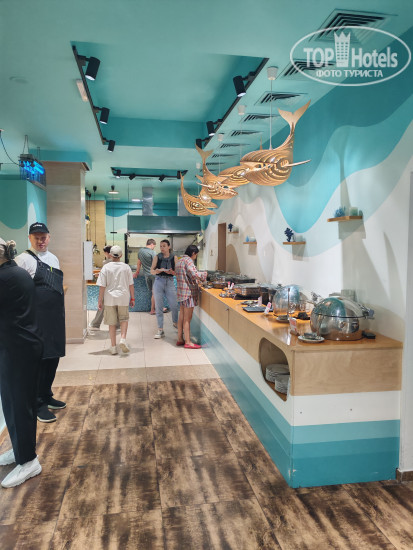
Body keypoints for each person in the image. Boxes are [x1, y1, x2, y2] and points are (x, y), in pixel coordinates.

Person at [0, 238, 43, 488]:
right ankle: (20, 450)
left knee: (19, 405)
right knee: (14, 403)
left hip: (18, 349)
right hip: (21, 346)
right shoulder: (16, 272)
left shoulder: (6, 278)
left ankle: (28, 461)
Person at [15, 222, 66, 424]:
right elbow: (16, 291)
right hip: (36, 320)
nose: (40, 241)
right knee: (40, 361)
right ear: (30, 238)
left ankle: (46, 395)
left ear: (49, 237)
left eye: (43, 237)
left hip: (54, 318)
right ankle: (37, 403)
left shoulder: (53, 258)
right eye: (36, 237)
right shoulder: (23, 260)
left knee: (53, 358)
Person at [97, 245, 134, 355]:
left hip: (109, 298)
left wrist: (100, 300)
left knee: (111, 323)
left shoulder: (106, 268)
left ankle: (113, 347)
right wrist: (133, 298)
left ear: (110, 255)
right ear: (121, 255)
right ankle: (122, 339)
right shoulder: (126, 267)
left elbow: (102, 286)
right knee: (124, 319)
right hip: (123, 297)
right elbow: (131, 284)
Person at [175, 245, 206, 349]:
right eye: (196, 255)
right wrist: (204, 275)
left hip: (181, 293)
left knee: (181, 317)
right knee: (187, 319)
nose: (196, 257)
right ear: (193, 253)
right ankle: (188, 342)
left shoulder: (180, 261)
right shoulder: (188, 261)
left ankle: (180, 339)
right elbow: (194, 274)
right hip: (188, 293)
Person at [150, 239, 178, 339]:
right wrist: (157, 271)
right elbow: (151, 271)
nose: (162, 248)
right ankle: (160, 329)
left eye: (164, 246)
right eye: (161, 246)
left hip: (170, 282)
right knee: (159, 306)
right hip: (158, 281)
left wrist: (171, 272)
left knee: (174, 305)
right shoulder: (157, 257)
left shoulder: (174, 257)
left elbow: (177, 273)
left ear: (169, 247)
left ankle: (175, 323)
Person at [89, 245, 112, 329]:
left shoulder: (106, 262)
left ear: (107, 253)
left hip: (106, 287)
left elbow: (104, 275)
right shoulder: (117, 262)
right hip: (115, 288)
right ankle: (117, 325)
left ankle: (95, 324)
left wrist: (97, 274)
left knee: (101, 306)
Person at [133, 238, 156, 314]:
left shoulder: (140, 251)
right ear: (152, 244)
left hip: (147, 275)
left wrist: (137, 272)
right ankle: (152, 310)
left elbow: (139, 262)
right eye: (154, 246)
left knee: (153, 292)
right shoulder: (152, 252)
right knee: (155, 293)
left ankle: (158, 308)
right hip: (154, 275)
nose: (154, 247)